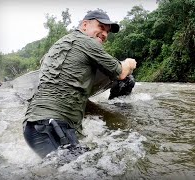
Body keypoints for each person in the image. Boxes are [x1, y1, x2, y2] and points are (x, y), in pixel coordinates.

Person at [23, 10, 137, 158]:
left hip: (38, 124)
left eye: (107, 32)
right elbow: (121, 73)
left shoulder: (60, 44)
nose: (105, 34)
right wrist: (129, 63)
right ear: (84, 25)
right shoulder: (87, 42)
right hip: (50, 126)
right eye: (101, 27)